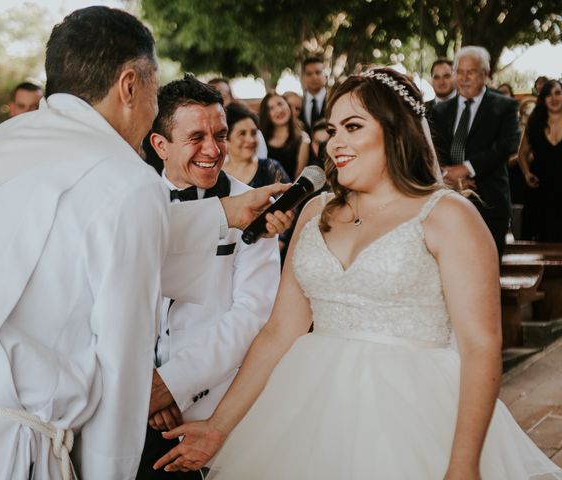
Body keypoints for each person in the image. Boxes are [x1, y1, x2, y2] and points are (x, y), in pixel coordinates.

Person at [0, 7, 291, 480]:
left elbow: (70, 240)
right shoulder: (127, 182)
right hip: (14, 452)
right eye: (155, 91)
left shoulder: (6, 143)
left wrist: (222, 213)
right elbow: (120, 373)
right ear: (130, 85)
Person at [153, 68, 562, 480]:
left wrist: (463, 464)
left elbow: (481, 346)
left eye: (352, 126)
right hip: (308, 410)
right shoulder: (316, 212)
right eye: (333, 129)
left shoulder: (449, 216)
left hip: (413, 415)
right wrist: (218, 427)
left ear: (396, 130)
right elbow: (279, 331)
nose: (336, 143)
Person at [136, 75, 282, 480]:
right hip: (133, 406)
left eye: (219, 134)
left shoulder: (252, 206)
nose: (213, 150)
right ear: (160, 144)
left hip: (214, 407)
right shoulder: (130, 203)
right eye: (196, 136)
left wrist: (173, 383)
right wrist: (146, 381)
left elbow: (252, 314)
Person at [430, 46, 519, 258]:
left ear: (485, 74)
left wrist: (466, 169)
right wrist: (446, 175)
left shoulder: (504, 107)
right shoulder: (440, 110)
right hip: (448, 201)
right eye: (459, 71)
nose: (464, 77)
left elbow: (507, 145)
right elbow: (433, 149)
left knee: (488, 267)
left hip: (489, 202)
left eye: (470, 72)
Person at [517, 79, 562, 241]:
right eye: (549, 94)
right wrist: (527, 174)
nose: (554, 98)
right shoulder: (535, 120)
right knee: (539, 237)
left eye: (558, 93)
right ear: (543, 99)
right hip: (539, 187)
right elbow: (522, 153)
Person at [223, 102, 290, 188]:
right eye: (242, 134)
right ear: (226, 138)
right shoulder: (217, 175)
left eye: (254, 133)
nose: (251, 140)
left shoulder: (271, 169)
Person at [260, 92, 310, 181]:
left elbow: (298, 178)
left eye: (280, 104)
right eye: (271, 108)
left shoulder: (303, 139)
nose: (279, 110)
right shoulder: (261, 138)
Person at [299, 56, 327, 133]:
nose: (314, 77)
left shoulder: (333, 99)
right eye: (309, 74)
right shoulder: (298, 103)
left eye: (318, 72)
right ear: (303, 77)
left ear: (325, 75)